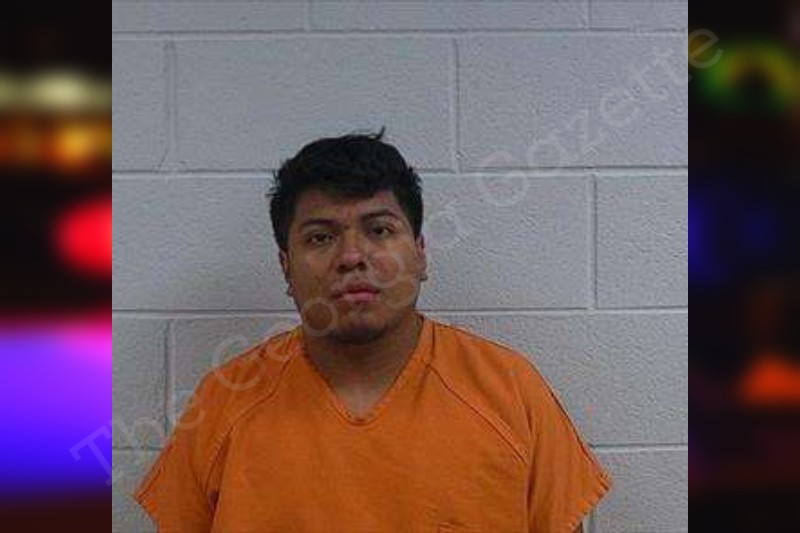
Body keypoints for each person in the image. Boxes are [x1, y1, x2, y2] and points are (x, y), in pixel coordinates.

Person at [134, 129, 611, 532]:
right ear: (285, 267)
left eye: (379, 230)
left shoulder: (509, 390)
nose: (351, 256)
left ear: (420, 253)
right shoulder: (223, 402)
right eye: (320, 237)